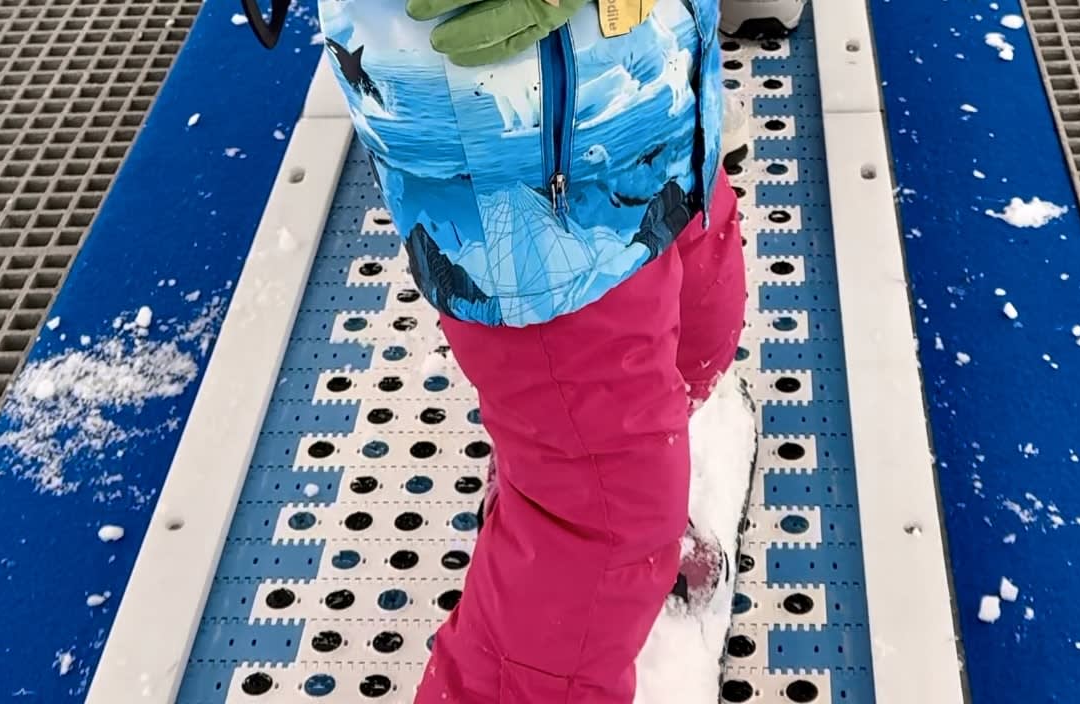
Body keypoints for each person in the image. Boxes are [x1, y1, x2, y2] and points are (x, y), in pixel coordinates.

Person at [300, 0, 800, 699]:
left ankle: (589, 500)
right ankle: (583, 551)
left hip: (662, 102)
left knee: (700, 328)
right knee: (604, 507)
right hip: (529, 195)